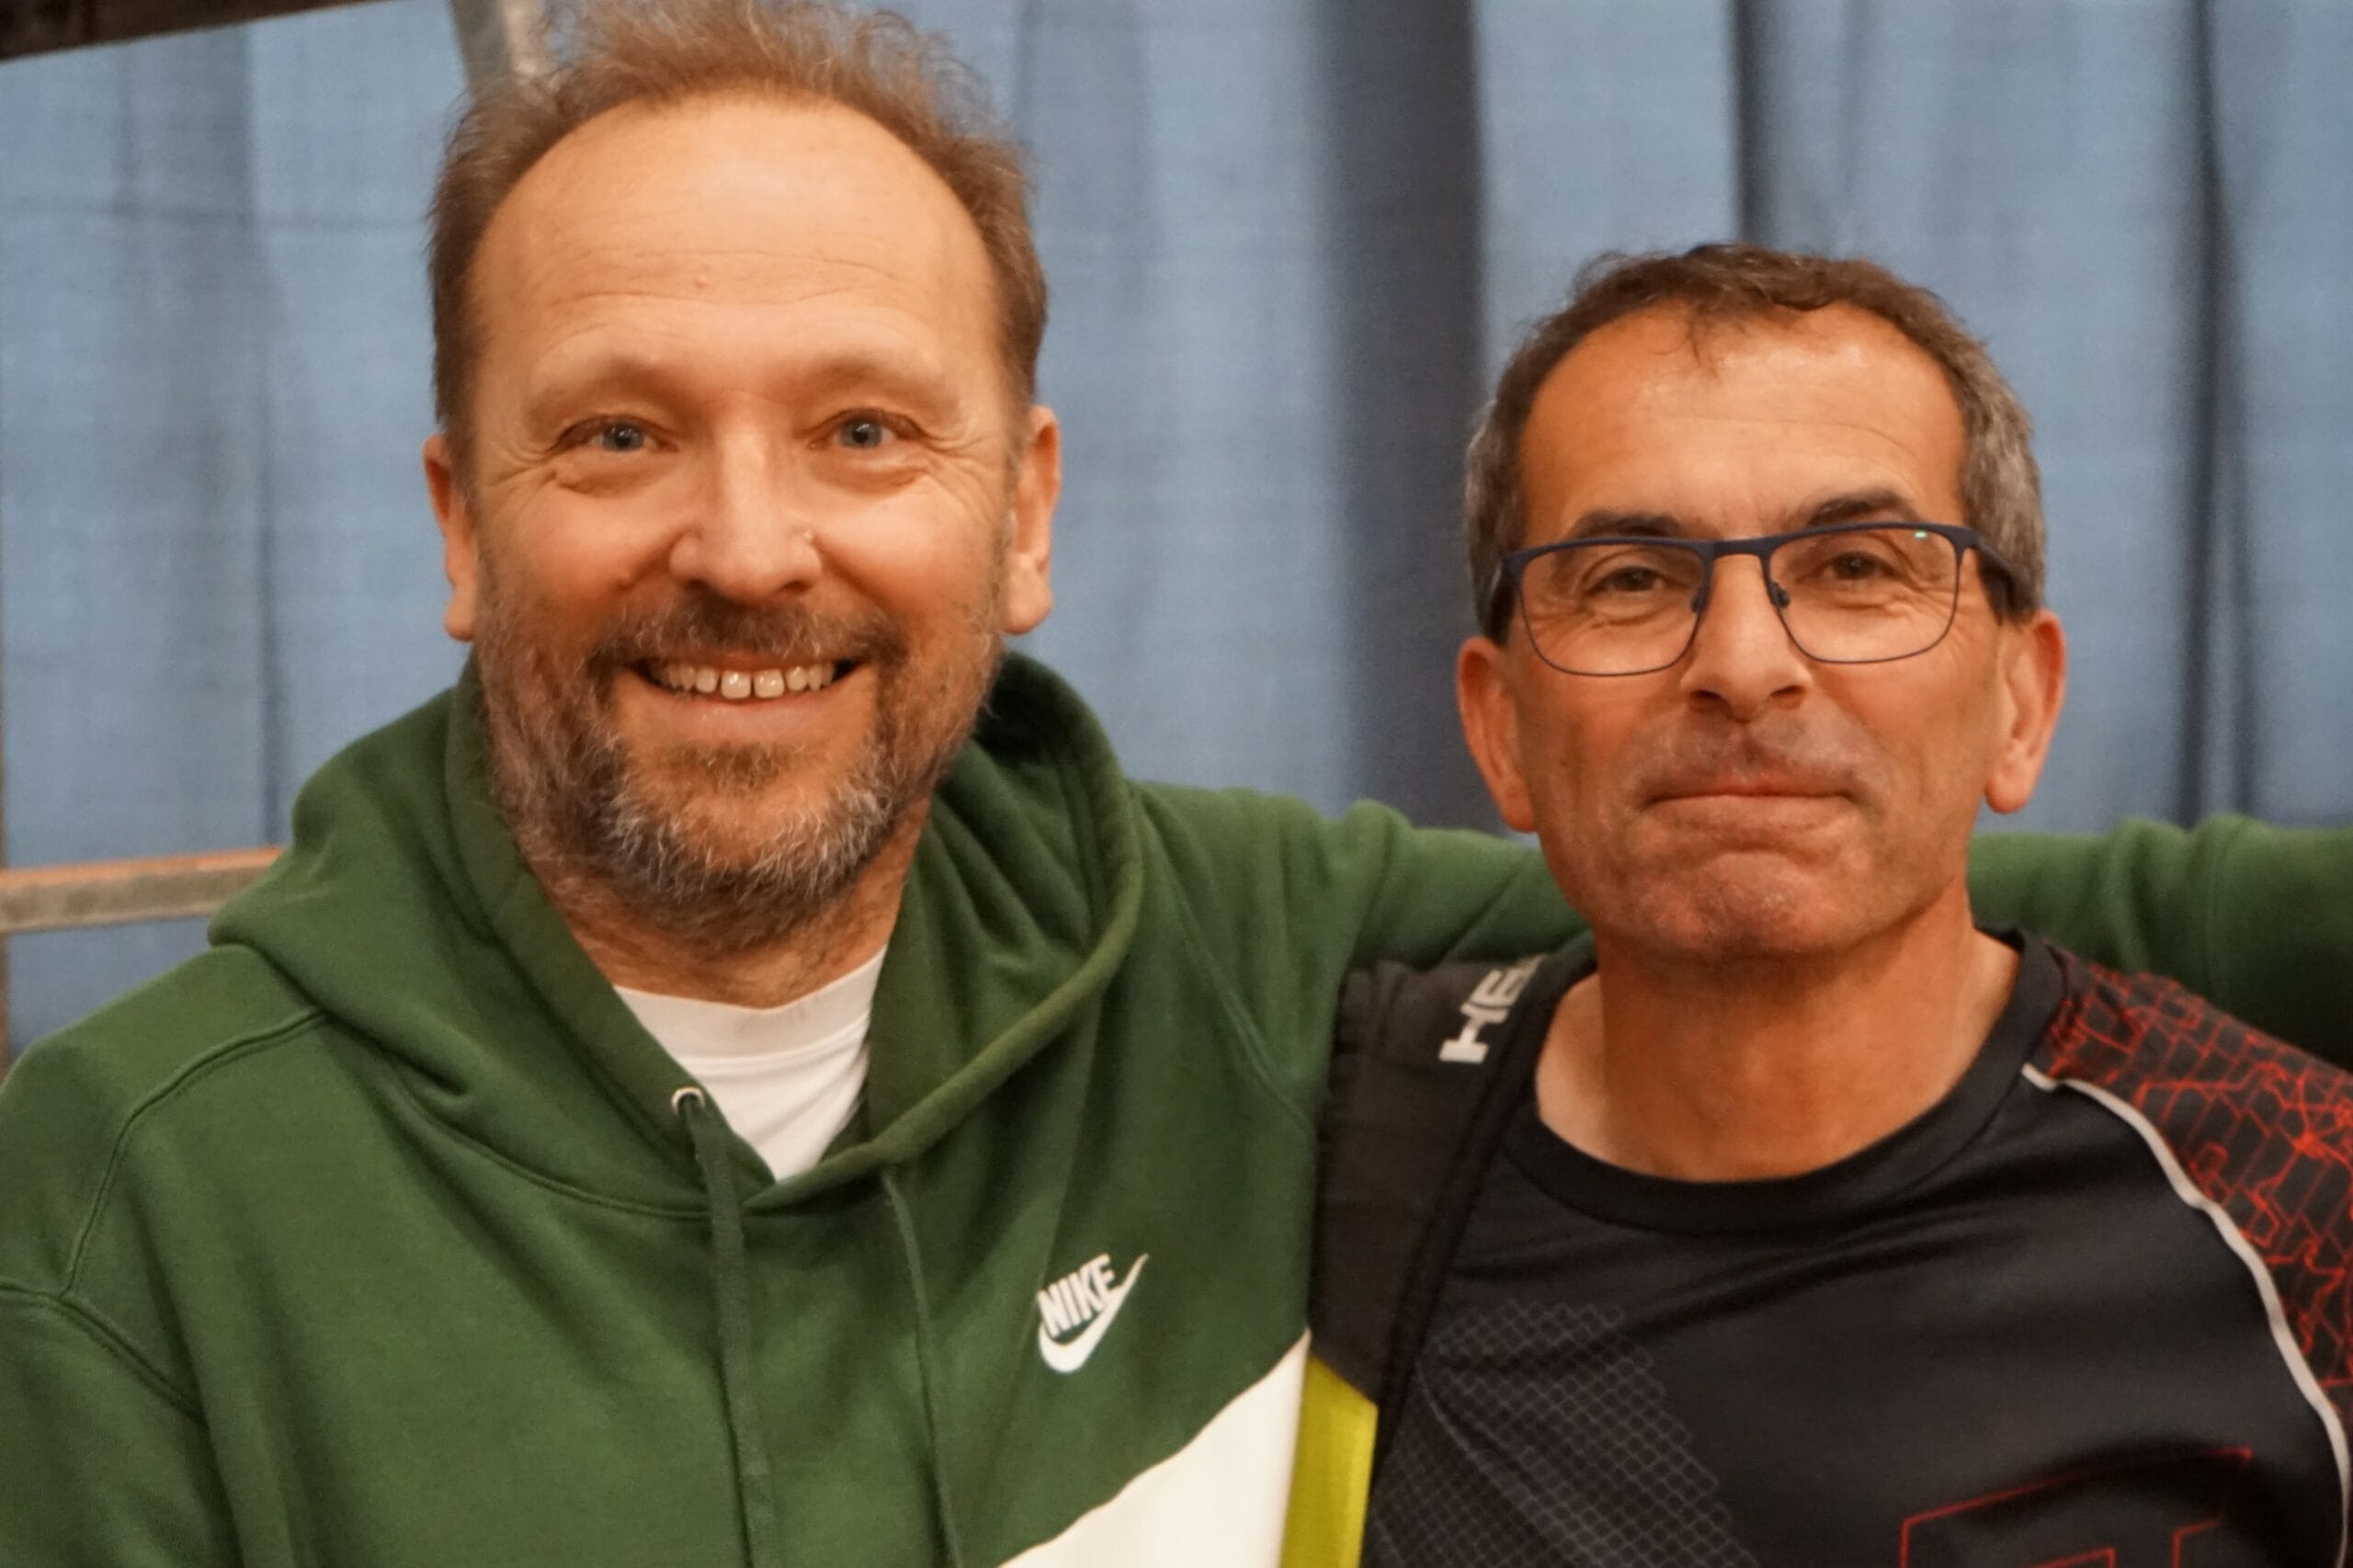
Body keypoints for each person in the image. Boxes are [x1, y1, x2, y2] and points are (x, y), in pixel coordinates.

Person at [0, 5, 2343, 1562]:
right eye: (618, 433)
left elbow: (1864, 883)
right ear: (456, 522)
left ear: (1022, 510)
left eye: (862, 429)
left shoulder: (1229, 953)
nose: (747, 544)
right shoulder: (136, 1199)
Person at [1285, 244, 2353, 1567]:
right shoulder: (1330, 1150)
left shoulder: (2306, 1211)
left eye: (1857, 567)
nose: (1743, 664)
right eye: (1629, 578)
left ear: (2020, 704)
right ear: (1500, 728)